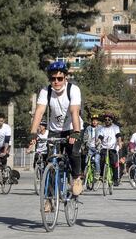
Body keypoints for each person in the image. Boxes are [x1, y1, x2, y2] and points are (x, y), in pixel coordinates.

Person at [29, 60, 84, 201]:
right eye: (53, 79)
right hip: (54, 130)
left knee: (74, 152)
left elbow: (74, 111)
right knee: (51, 163)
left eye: (60, 78)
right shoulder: (45, 91)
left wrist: (75, 132)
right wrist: (33, 133)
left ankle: (77, 178)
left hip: (73, 127)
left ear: (65, 78)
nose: (56, 82)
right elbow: (39, 112)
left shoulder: (73, 90)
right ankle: (49, 199)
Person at [99, 113, 123, 186]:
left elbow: (118, 135)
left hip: (113, 148)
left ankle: (115, 179)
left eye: (109, 120)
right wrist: (98, 141)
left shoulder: (115, 127)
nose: (107, 121)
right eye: (105, 120)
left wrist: (119, 142)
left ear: (111, 120)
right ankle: (102, 175)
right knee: (102, 161)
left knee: (113, 163)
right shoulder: (102, 129)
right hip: (104, 147)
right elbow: (100, 137)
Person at [83, 114, 102, 179]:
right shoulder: (88, 128)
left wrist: (100, 143)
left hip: (97, 148)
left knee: (96, 160)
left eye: (96, 121)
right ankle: (86, 173)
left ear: (98, 122)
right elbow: (85, 136)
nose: (94, 122)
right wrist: (86, 142)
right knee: (86, 161)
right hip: (90, 147)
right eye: (93, 121)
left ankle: (97, 173)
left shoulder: (101, 128)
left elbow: (103, 137)